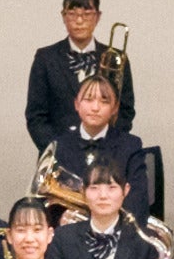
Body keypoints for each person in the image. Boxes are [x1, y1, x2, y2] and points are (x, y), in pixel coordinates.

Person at [40, 65, 163, 241]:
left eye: (104, 101)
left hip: (119, 237)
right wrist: (60, 219)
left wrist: (109, 228)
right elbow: (45, 203)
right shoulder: (59, 146)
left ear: (115, 108)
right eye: (88, 100)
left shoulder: (130, 145)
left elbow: (137, 200)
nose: (95, 107)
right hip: (69, 240)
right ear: (76, 104)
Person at [23, 0, 125, 147]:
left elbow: (125, 110)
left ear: (98, 17)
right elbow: (36, 116)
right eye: (72, 14)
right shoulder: (45, 58)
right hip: (58, 153)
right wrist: (58, 150)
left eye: (87, 14)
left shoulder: (116, 58)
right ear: (63, 16)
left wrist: (107, 145)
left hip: (107, 152)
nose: (79, 21)